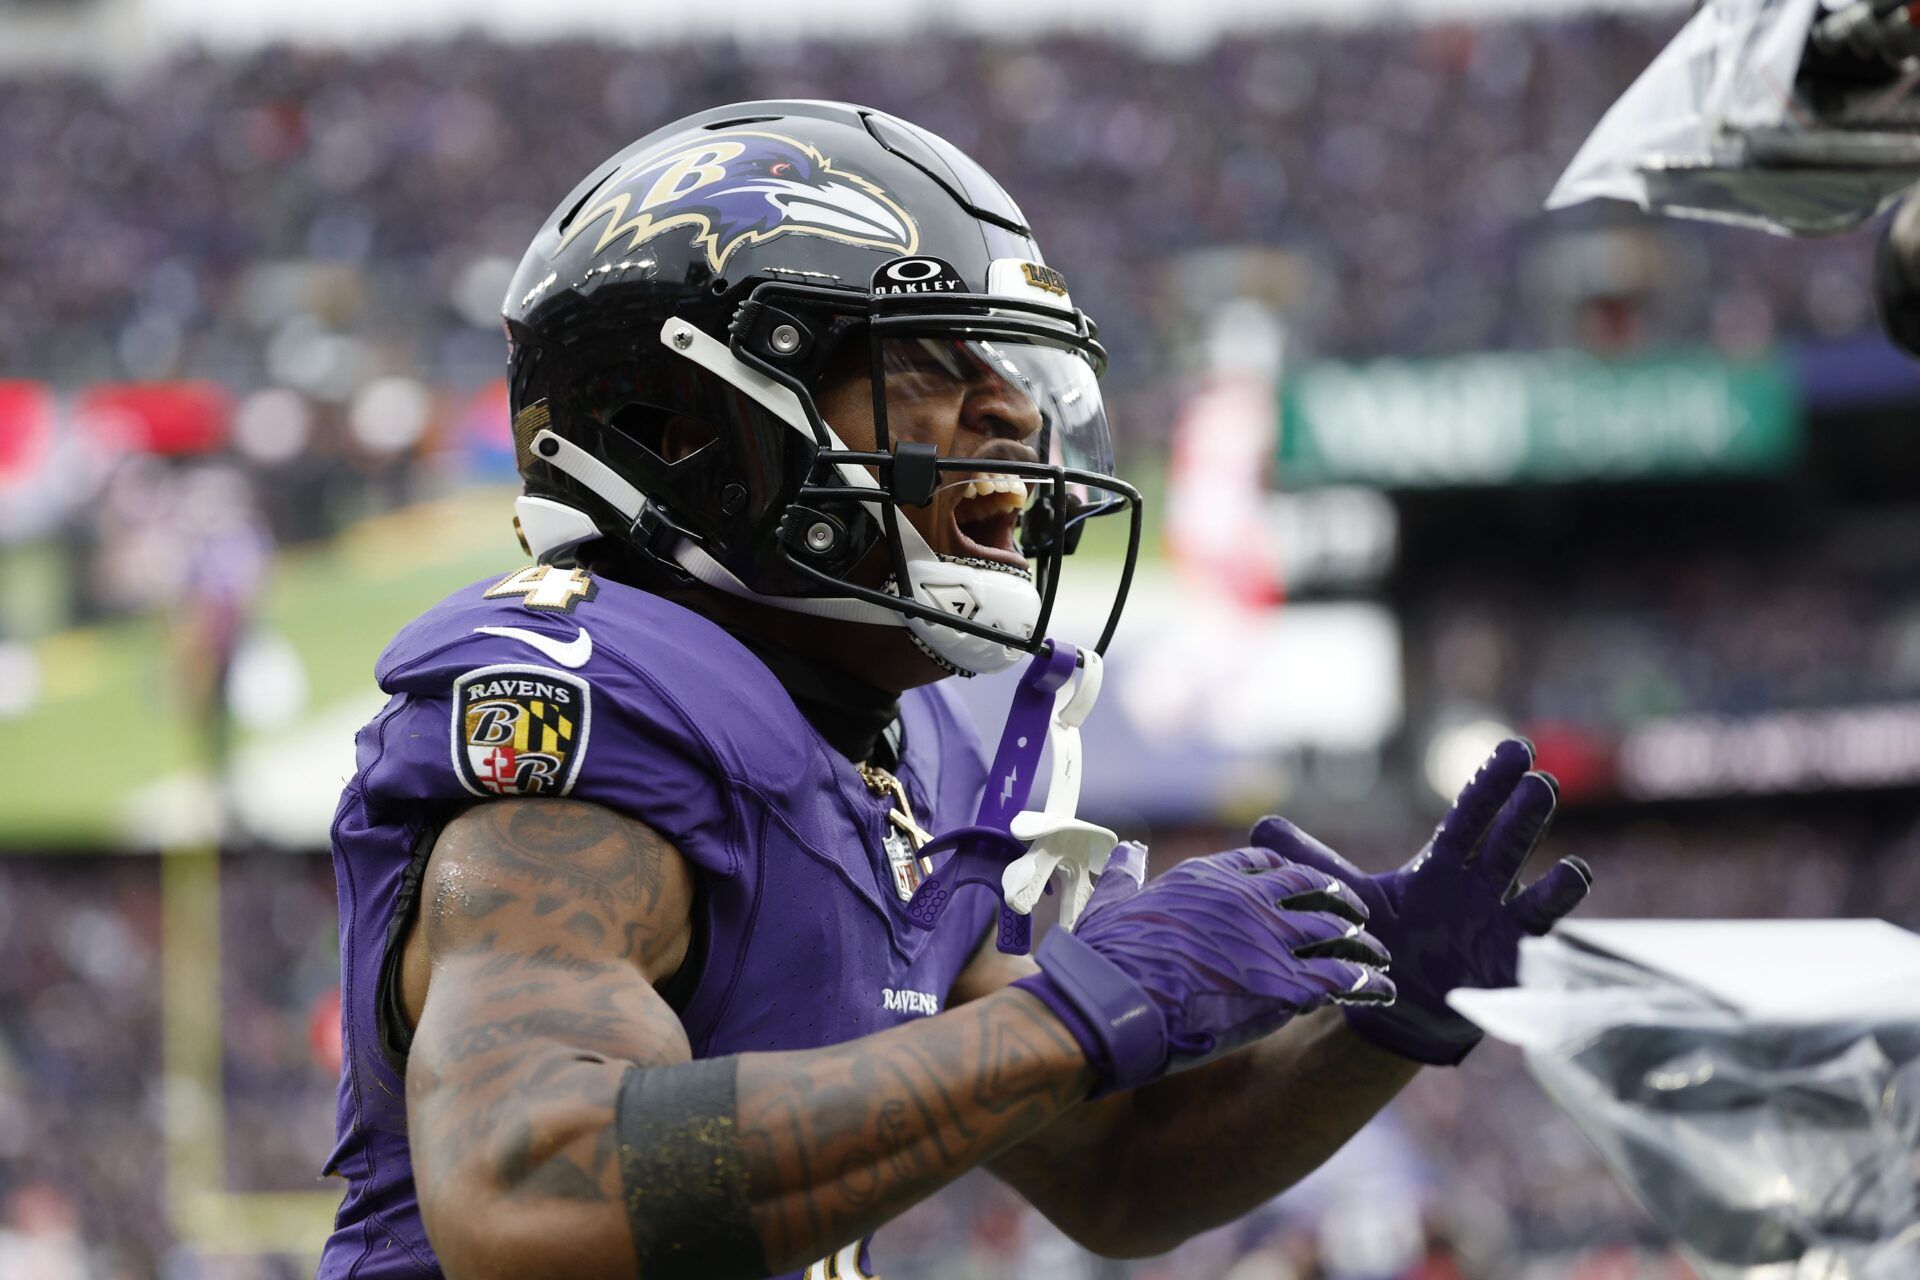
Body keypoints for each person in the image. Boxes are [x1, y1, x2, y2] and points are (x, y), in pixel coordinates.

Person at [317, 100, 1592, 1280]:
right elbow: (532, 1183)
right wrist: (1080, 1010)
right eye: (930, 363)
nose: (1017, 424)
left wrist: (1391, 1021)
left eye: (1014, 379)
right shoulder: (603, 716)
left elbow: (1121, 1173)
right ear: (687, 428)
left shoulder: (887, 746)